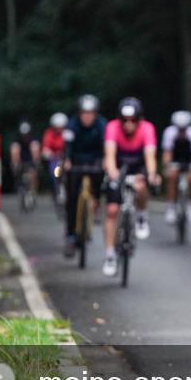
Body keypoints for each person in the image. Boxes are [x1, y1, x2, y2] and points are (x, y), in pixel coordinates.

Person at [102, 97, 159, 276]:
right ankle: (110, 254)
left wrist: (151, 174)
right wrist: (113, 174)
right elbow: (109, 155)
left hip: (138, 166)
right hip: (118, 167)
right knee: (112, 210)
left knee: (142, 186)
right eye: (124, 120)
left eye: (133, 120)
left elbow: (150, 157)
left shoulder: (147, 129)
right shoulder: (112, 128)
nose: (128, 124)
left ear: (139, 119)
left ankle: (141, 215)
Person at [62, 95, 106, 258]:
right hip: (76, 162)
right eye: (84, 113)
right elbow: (67, 146)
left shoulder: (101, 125)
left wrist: (104, 161)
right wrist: (66, 160)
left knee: (102, 176)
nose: (87, 117)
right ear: (79, 113)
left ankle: (96, 201)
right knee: (72, 198)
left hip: (95, 161)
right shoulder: (72, 125)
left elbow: (105, 145)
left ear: (95, 114)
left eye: (90, 113)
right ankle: (71, 236)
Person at [161, 110, 191, 224]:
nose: (181, 131)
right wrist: (166, 166)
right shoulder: (170, 133)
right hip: (175, 159)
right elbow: (167, 153)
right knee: (172, 176)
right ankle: (171, 206)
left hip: (189, 159)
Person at [9, 120, 41, 199]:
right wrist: (15, 163)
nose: (25, 136)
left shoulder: (33, 139)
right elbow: (14, 151)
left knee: (33, 173)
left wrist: (36, 162)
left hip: (30, 159)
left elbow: (36, 150)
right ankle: (17, 176)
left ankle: (33, 191)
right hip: (20, 159)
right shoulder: (16, 140)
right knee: (14, 149)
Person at [42, 112, 69, 197]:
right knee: (54, 173)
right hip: (55, 160)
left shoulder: (68, 133)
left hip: (67, 158)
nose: (59, 130)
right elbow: (45, 147)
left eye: (61, 127)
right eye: (57, 127)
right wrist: (49, 154)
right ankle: (55, 188)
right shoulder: (49, 133)